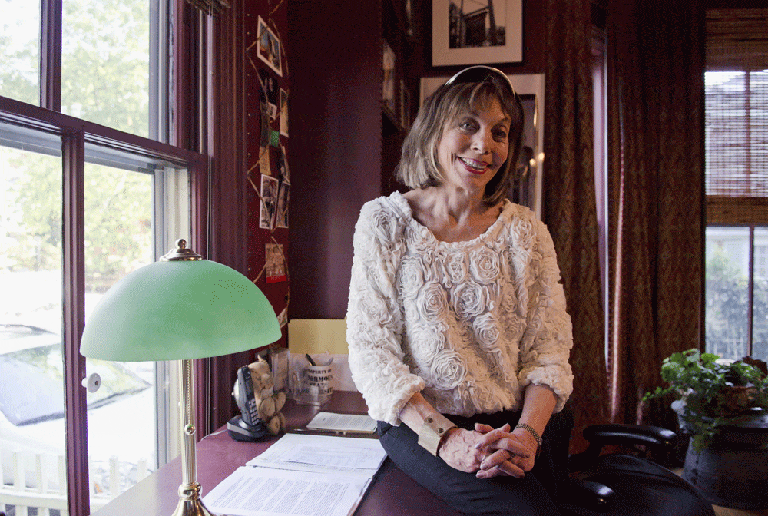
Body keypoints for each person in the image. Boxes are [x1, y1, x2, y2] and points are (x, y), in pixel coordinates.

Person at [346, 66, 574, 515]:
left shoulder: (528, 233)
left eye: (500, 132)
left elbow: (550, 353)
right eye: (468, 124)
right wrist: (446, 437)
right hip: (418, 421)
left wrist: (527, 435)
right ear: (435, 130)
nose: (483, 145)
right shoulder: (384, 222)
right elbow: (372, 351)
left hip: (514, 421)